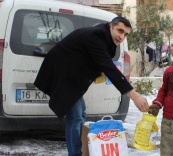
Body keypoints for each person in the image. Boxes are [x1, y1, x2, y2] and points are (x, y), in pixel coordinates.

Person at [34, 16, 149, 156]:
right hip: (63, 75)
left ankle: (79, 150)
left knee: (80, 112)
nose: (122, 36)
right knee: (75, 117)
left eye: (125, 34)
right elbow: (107, 66)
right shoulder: (97, 36)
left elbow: (97, 61)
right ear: (110, 26)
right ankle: (75, 153)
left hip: (73, 75)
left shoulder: (105, 38)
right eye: (120, 31)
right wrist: (134, 95)